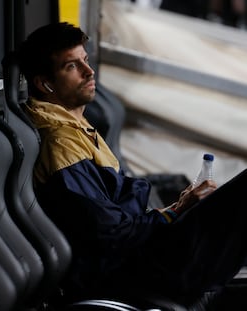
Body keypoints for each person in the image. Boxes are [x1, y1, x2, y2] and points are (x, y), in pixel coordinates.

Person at [18, 22, 247, 307]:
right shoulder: (60, 142)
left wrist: (178, 208)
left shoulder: (74, 127)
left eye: (86, 61)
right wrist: (171, 214)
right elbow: (110, 234)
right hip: (139, 270)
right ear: (44, 84)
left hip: (144, 255)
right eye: (71, 67)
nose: (89, 72)